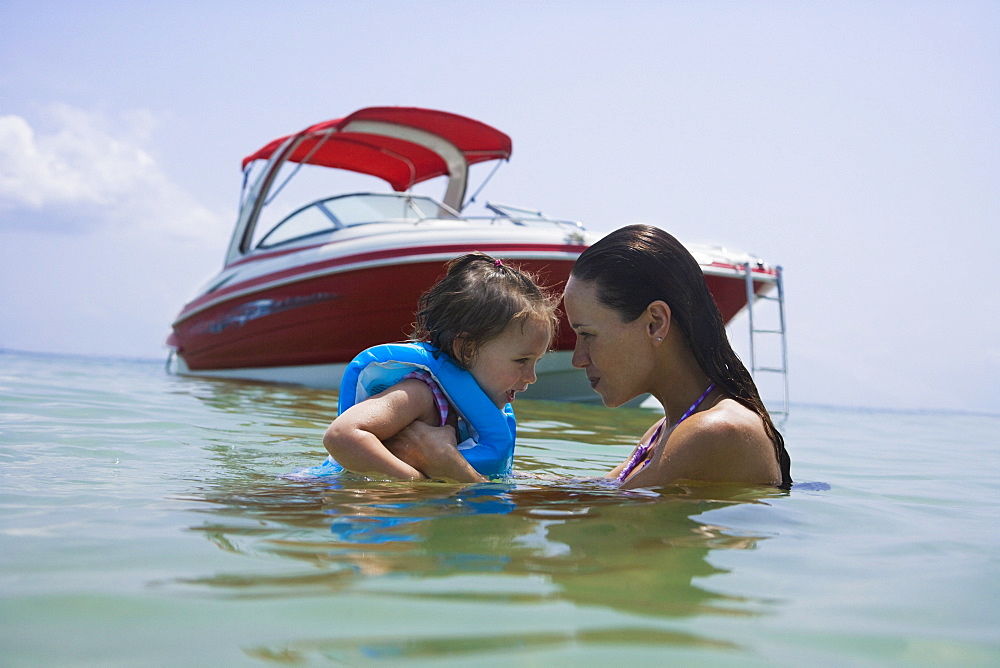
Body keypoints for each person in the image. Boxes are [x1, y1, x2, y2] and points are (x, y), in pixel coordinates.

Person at [393, 224, 792, 489]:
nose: (578, 358)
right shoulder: (664, 430)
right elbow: (597, 498)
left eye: (587, 335)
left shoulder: (715, 432)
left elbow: (595, 523)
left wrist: (450, 468)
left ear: (655, 322)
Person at [321, 252, 559, 481]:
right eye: (521, 361)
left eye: (535, 362)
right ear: (466, 349)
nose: (531, 377)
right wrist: (416, 483)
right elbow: (342, 436)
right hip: (319, 494)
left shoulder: (470, 418)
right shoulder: (419, 394)